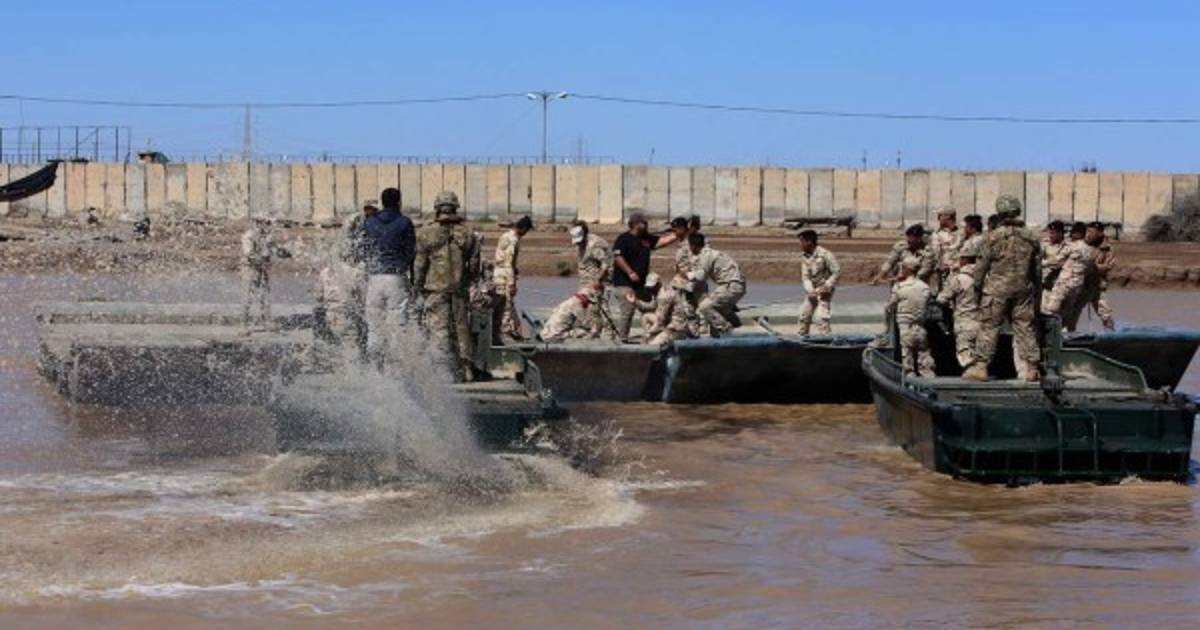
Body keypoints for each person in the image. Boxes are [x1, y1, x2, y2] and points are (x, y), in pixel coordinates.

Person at [963, 195, 1042, 382]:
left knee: (989, 327)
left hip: (996, 290)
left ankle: (981, 367)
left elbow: (981, 268)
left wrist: (977, 290)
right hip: (1023, 289)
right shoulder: (1031, 237)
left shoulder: (992, 237)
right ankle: (1032, 367)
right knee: (1025, 327)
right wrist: (1036, 291)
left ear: (999, 213)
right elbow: (1037, 270)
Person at [414, 191, 481, 382]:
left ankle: (443, 370)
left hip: (435, 288)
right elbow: (474, 265)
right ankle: (466, 369)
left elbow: (420, 265)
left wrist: (417, 287)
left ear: (437, 208)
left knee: (438, 329)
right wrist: (468, 280)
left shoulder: (426, 233)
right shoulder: (468, 233)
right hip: (459, 288)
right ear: (455, 207)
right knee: (462, 328)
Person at [361, 187, 416, 365]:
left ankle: (375, 367)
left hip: (375, 278)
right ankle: (395, 369)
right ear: (399, 202)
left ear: (382, 202)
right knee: (398, 325)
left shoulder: (370, 222)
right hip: (396, 278)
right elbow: (411, 252)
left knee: (374, 326)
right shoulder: (405, 222)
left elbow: (364, 249)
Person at [611, 212, 679, 339]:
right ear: (636, 224)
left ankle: (652, 334)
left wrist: (678, 233)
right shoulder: (623, 239)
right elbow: (618, 257)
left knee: (652, 308)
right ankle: (623, 338)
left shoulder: (646, 239)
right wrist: (630, 272)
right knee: (628, 309)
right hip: (624, 283)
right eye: (644, 223)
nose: (647, 225)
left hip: (642, 284)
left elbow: (662, 241)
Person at [936, 238, 983, 369]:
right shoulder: (986, 277)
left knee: (966, 359)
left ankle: (972, 378)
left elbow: (942, 299)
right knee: (980, 357)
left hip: (964, 322)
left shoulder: (959, 278)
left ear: (965, 259)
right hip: (983, 323)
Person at [687, 233, 746, 337]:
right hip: (736, 286)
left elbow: (700, 277)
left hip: (730, 286)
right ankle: (735, 326)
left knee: (704, 307)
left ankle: (727, 331)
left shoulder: (706, 255)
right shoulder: (713, 253)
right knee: (718, 312)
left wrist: (685, 275)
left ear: (693, 246)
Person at [889, 261, 936, 376]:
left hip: (906, 327)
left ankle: (909, 380)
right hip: (920, 327)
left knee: (907, 360)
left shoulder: (899, 287)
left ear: (907, 270)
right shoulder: (925, 287)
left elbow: (890, 306)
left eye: (903, 268)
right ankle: (929, 379)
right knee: (925, 356)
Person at [240, 217, 289, 327]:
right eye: (266, 223)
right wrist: (264, 257)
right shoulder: (248, 236)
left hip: (262, 268)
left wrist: (284, 253)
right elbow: (249, 254)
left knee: (265, 295)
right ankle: (243, 324)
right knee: (247, 297)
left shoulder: (267, 236)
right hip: (250, 269)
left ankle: (266, 321)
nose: (268, 225)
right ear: (258, 223)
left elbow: (274, 249)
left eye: (268, 223)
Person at [492, 215, 534, 343]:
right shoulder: (513, 240)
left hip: (498, 274)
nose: (526, 233)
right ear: (524, 228)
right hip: (505, 276)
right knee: (506, 305)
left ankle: (512, 330)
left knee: (506, 305)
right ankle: (505, 334)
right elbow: (508, 263)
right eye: (527, 230)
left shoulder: (505, 235)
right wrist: (511, 284)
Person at [570, 220, 615, 335]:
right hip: (587, 277)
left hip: (601, 278)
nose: (578, 244)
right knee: (586, 303)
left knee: (601, 304)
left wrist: (598, 280)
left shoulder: (594, 244)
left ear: (584, 234)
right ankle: (593, 329)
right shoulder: (581, 243)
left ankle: (609, 332)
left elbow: (605, 263)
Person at [1074, 222, 1117, 331]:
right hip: (1081, 285)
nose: (1089, 234)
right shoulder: (1081, 244)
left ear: (1100, 233)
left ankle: (1110, 334)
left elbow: (1108, 266)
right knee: (1072, 312)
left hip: (1097, 286)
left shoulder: (1107, 248)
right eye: (1088, 231)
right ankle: (1068, 335)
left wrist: (1093, 266)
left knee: (1106, 314)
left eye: (1092, 232)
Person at [796, 229, 840, 336]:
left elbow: (837, 271)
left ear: (809, 242)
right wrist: (810, 291)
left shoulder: (825, 254)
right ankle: (802, 339)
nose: (800, 244)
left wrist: (827, 285)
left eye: (802, 241)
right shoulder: (804, 257)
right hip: (812, 291)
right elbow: (805, 277)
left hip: (825, 291)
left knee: (821, 318)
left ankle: (826, 339)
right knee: (804, 315)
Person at [644, 275, 699, 345]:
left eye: (652, 287)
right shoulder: (658, 293)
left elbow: (660, 321)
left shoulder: (664, 296)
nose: (650, 289)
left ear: (658, 284)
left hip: (676, 329)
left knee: (653, 345)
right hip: (669, 323)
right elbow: (652, 307)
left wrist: (649, 333)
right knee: (646, 317)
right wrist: (636, 302)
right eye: (649, 287)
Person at [929, 206, 962, 289]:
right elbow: (935, 254)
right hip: (944, 274)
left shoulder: (962, 233)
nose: (938, 219)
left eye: (939, 216)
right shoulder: (937, 234)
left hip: (960, 273)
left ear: (947, 217)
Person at [1040, 220, 1068, 308]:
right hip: (1046, 284)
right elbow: (1038, 257)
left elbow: (1059, 261)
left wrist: (1045, 263)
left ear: (1060, 233)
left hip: (1061, 285)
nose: (1050, 235)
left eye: (1053, 233)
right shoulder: (1045, 244)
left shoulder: (1067, 246)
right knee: (1045, 310)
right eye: (1050, 233)